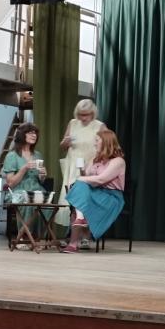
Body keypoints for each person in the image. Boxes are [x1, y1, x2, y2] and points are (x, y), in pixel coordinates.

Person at [61, 129, 126, 253]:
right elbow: (87, 178)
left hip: (110, 197)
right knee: (78, 193)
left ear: (106, 142)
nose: (95, 144)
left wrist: (81, 178)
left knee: (78, 191)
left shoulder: (118, 161)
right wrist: (82, 171)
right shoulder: (95, 159)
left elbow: (101, 179)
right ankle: (78, 229)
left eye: (97, 141)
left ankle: (75, 240)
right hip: (95, 192)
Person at [56, 99, 106, 235]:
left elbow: (107, 147)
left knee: (87, 200)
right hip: (73, 166)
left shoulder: (100, 126)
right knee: (73, 200)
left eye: (86, 114)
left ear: (93, 113)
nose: (83, 118)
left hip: (90, 168)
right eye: (80, 114)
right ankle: (74, 236)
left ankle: (86, 236)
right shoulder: (72, 123)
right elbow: (63, 147)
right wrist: (65, 143)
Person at [2, 122, 49, 247]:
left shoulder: (37, 155)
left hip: (36, 188)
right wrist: (24, 168)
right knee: (27, 200)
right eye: (30, 132)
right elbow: (10, 183)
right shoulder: (12, 156)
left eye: (35, 133)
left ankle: (37, 237)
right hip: (18, 190)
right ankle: (23, 237)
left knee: (47, 202)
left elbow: (41, 180)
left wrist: (43, 174)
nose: (34, 135)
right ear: (22, 135)